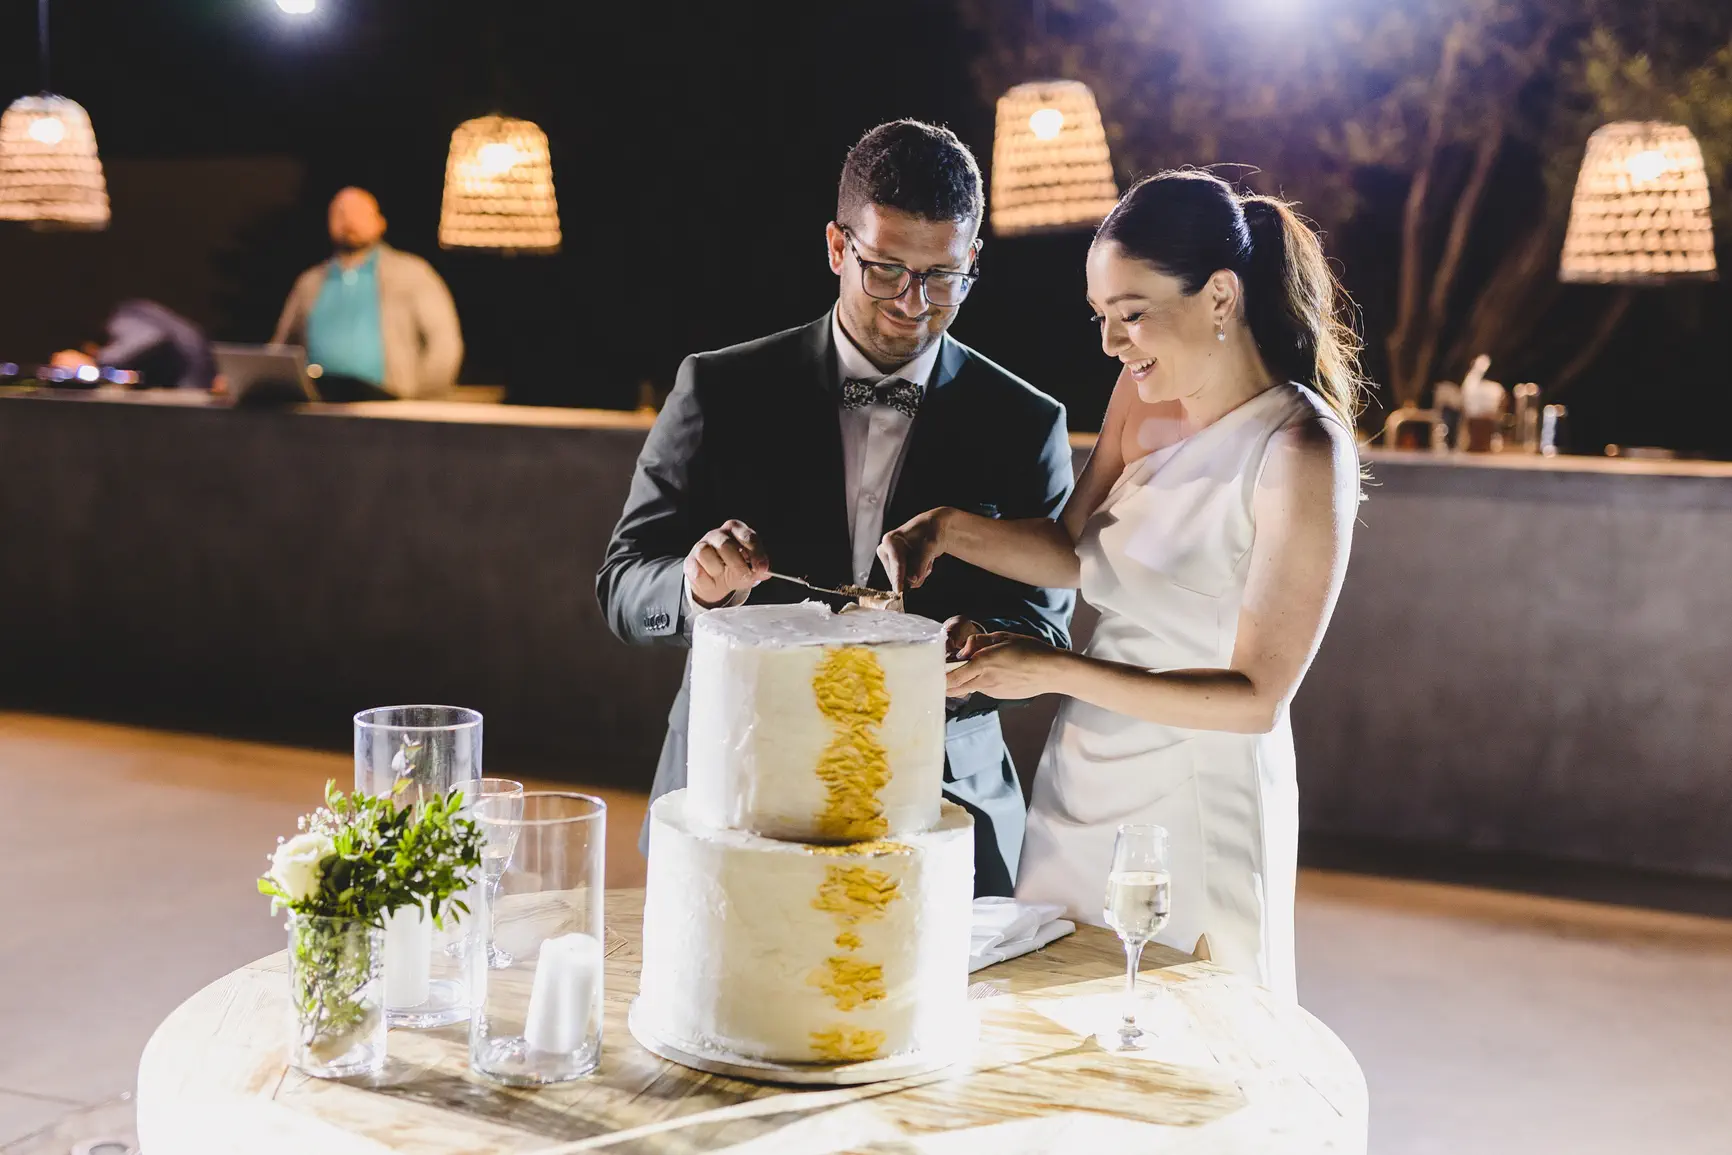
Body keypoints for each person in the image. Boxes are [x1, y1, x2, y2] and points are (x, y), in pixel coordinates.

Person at [879, 170, 1364, 998]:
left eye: (1132, 314)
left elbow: (1256, 698)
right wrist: (947, 529)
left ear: (1220, 296)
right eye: (1100, 316)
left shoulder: (1299, 449)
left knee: (1172, 1023)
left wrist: (1050, 668)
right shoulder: (1141, 398)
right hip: (1084, 768)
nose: (1110, 343)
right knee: (1045, 1013)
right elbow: (1074, 550)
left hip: (1196, 790)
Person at [597, 120, 1075, 896]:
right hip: (736, 783)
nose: (912, 304)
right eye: (885, 270)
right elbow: (622, 584)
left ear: (974, 260)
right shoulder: (721, 390)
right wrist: (696, 588)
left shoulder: (1026, 423)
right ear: (835, 246)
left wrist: (979, 645)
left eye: (943, 277)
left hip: (941, 802)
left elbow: (1045, 624)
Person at [270, 187, 463, 400]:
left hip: (386, 402)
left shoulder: (411, 274)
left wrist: (417, 398)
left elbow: (445, 344)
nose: (349, 221)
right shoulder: (310, 282)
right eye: (340, 213)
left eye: (359, 212)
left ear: (380, 222)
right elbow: (281, 348)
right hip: (316, 404)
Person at [51, 299, 216, 391]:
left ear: (91, 348)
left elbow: (152, 339)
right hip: (194, 395)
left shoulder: (127, 315)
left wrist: (96, 363)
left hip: (188, 395)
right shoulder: (150, 314)